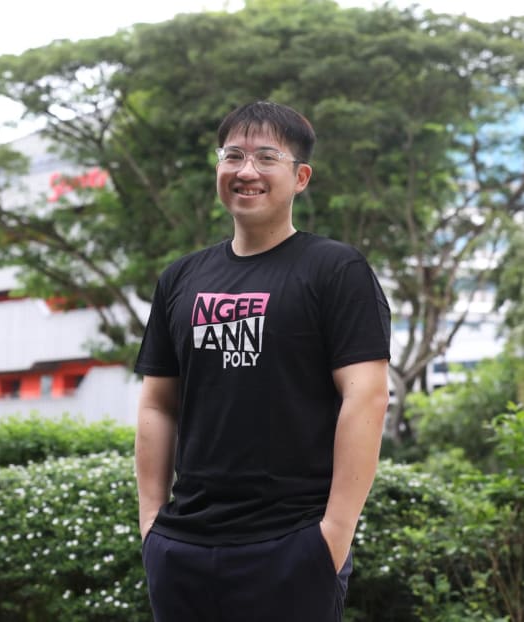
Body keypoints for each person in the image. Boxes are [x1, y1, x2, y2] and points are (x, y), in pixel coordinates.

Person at [134, 100, 391, 622]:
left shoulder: (335, 269)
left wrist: (333, 536)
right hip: (182, 547)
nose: (246, 171)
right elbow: (159, 404)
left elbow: (366, 395)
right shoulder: (180, 278)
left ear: (300, 177)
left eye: (266, 157)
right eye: (233, 156)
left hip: (291, 545)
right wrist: (151, 526)